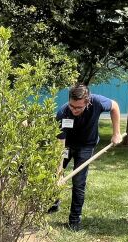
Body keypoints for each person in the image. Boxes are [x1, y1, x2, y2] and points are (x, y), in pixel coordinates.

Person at [52, 84, 123, 231]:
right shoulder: (63, 113)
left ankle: (74, 220)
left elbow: (115, 106)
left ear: (87, 102)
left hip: (86, 145)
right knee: (54, 175)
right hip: (67, 145)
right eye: (72, 106)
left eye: (78, 107)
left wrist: (116, 133)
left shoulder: (97, 102)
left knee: (78, 182)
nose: (74, 110)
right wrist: (59, 172)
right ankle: (53, 203)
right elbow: (60, 146)